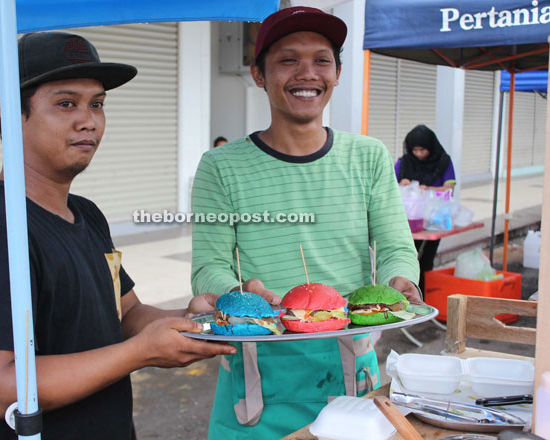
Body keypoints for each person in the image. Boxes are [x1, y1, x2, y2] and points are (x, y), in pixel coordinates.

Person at [0, 32, 235, 440]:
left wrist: (198, 319)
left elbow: (126, 316)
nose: (88, 120)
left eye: (97, 104)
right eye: (65, 103)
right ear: (12, 112)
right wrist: (140, 353)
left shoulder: (87, 215)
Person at [190, 7, 420, 439]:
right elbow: (208, 267)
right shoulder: (220, 167)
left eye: (321, 60)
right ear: (259, 74)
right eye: (288, 59)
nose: (306, 73)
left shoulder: (368, 157)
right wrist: (240, 292)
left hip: (353, 373)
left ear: (336, 74)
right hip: (255, 379)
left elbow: (396, 247)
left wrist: (399, 279)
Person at [395, 124, 456, 291]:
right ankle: (409, 291)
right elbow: (390, 187)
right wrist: (402, 185)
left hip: (434, 220)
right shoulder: (404, 163)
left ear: (431, 147)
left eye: (422, 150)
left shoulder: (444, 161)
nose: (418, 154)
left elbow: (449, 188)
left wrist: (427, 190)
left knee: (427, 259)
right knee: (408, 258)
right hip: (410, 221)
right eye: (415, 150)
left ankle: (424, 293)